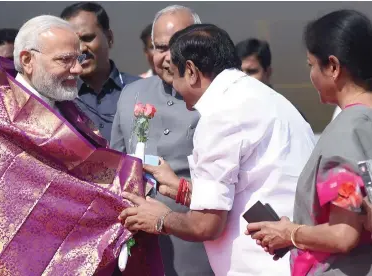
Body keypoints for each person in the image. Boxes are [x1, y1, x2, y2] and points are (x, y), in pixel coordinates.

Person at [0, 15, 163, 276]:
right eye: (65, 60)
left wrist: (137, 180)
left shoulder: (66, 106)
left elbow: (91, 169)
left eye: (77, 58)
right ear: (27, 60)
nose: (78, 70)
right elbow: (42, 197)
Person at [119, 23, 315, 276]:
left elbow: (206, 225)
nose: (176, 90)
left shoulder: (221, 114)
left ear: (190, 71)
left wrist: (159, 218)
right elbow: (246, 189)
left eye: (174, 75)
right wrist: (182, 190)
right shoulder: (263, 96)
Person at [246, 10, 372, 275]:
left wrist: (289, 233)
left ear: (334, 67)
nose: (311, 75)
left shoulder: (347, 133)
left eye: (311, 65)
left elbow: (343, 234)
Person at [111, 5, 214, 276]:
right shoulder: (131, 93)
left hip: (199, 246)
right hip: (140, 246)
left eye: (177, 46)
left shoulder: (217, 99)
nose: (168, 57)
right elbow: (115, 168)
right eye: (160, 47)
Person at [60, 2, 140, 141]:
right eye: (73, 42)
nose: (81, 49)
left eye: (87, 38)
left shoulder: (141, 90)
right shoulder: (60, 99)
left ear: (109, 38)